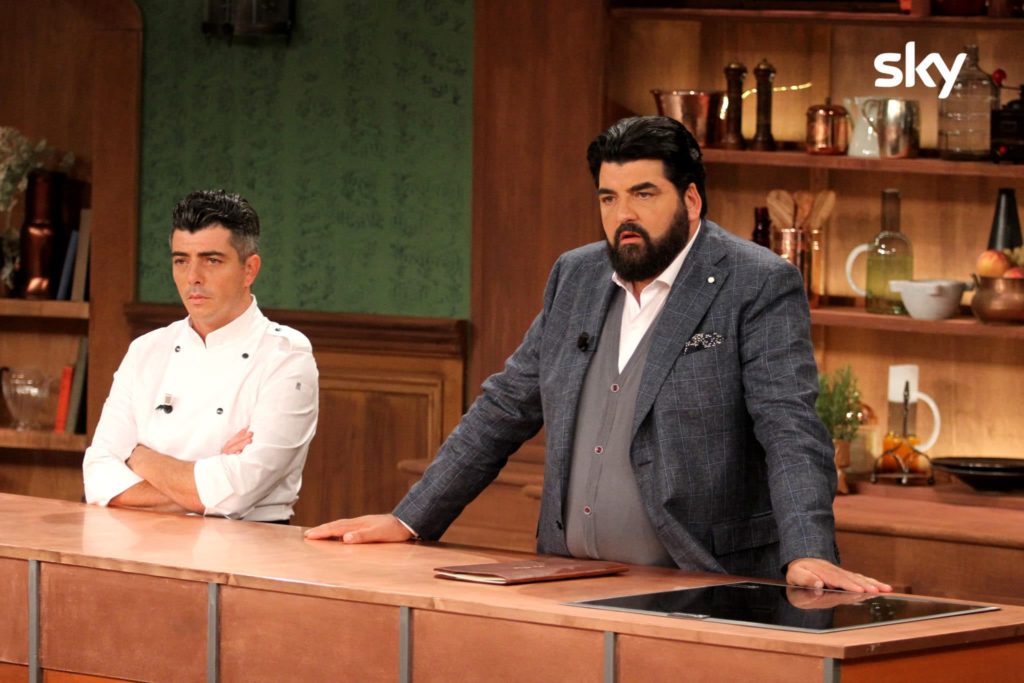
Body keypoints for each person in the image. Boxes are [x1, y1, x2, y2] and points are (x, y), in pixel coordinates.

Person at [306, 117, 889, 592]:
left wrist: (809, 550)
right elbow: (505, 407)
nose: (623, 215)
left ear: (690, 199)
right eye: (609, 198)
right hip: (567, 577)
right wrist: (410, 519)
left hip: (701, 580)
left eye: (643, 194)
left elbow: (789, 426)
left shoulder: (755, 282)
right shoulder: (577, 275)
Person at [83, 190, 318, 522]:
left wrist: (139, 458)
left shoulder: (286, 356)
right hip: (140, 538)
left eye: (212, 260)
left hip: (250, 543)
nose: (193, 276)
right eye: (181, 260)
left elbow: (239, 493)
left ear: (249, 270)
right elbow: (97, 477)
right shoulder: (146, 350)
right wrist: (211, 480)